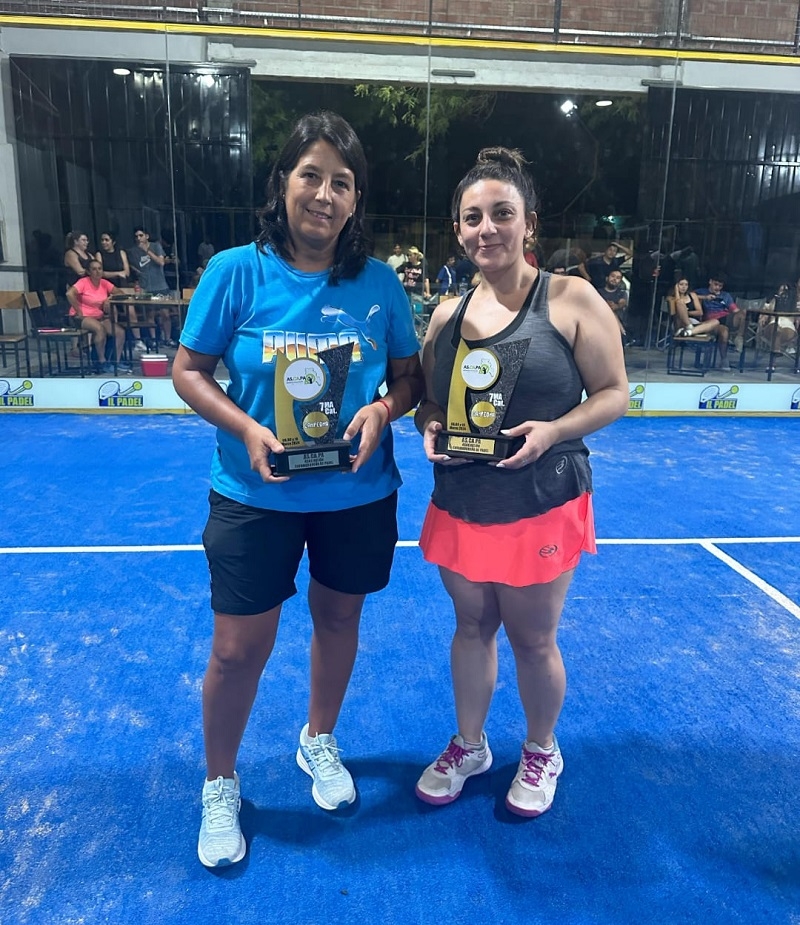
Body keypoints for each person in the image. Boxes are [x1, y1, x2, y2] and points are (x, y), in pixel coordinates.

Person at [172, 111, 423, 868]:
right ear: (282, 182)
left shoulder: (380, 284)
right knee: (236, 649)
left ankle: (318, 737)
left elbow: (409, 379)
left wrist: (383, 411)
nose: (323, 194)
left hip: (356, 495)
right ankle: (221, 781)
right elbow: (189, 371)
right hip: (255, 495)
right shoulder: (234, 272)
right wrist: (247, 428)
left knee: (338, 619)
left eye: (341, 182)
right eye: (310, 175)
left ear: (355, 199)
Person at [413, 147, 628, 818]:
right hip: (462, 502)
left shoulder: (571, 299)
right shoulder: (445, 316)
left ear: (528, 222)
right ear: (458, 230)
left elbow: (614, 392)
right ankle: (470, 744)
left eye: (502, 214)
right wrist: (428, 424)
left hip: (541, 502)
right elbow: (429, 401)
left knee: (533, 639)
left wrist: (555, 430)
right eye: (473, 217)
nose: (488, 229)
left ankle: (541, 749)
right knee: (471, 626)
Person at [66, 259, 130, 373]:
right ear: (89, 272)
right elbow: (69, 293)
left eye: (100, 269)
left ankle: (116, 362)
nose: (97, 272)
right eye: (94, 269)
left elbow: (120, 293)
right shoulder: (83, 282)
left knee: (120, 332)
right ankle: (101, 362)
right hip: (81, 317)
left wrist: (109, 298)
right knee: (99, 329)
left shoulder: (104, 283)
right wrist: (78, 310)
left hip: (98, 316)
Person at [128, 227, 176, 348]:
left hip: (160, 285)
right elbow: (131, 266)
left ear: (147, 236)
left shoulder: (155, 246)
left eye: (141, 235)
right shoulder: (133, 251)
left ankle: (167, 338)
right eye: (136, 236)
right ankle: (154, 339)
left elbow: (161, 262)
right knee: (150, 314)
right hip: (146, 287)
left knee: (165, 314)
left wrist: (147, 251)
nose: (138, 238)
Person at [694, 274, 744, 369]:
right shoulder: (701, 291)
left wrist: (740, 314)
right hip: (711, 321)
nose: (717, 288)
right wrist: (705, 297)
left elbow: (735, 310)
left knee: (742, 313)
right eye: (715, 284)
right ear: (710, 281)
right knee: (724, 332)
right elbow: (689, 296)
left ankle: (739, 337)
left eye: (720, 286)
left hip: (725, 317)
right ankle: (724, 359)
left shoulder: (725, 295)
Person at [597, 268, 630, 343]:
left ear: (620, 281)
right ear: (607, 278)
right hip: (600, 324)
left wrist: (616, 306)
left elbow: (622, 303)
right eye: (613, 276)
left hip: (615, 327)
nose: (615, 279)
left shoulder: (622, 293)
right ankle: (622, 331)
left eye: (618, 278)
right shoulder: (598, 292)